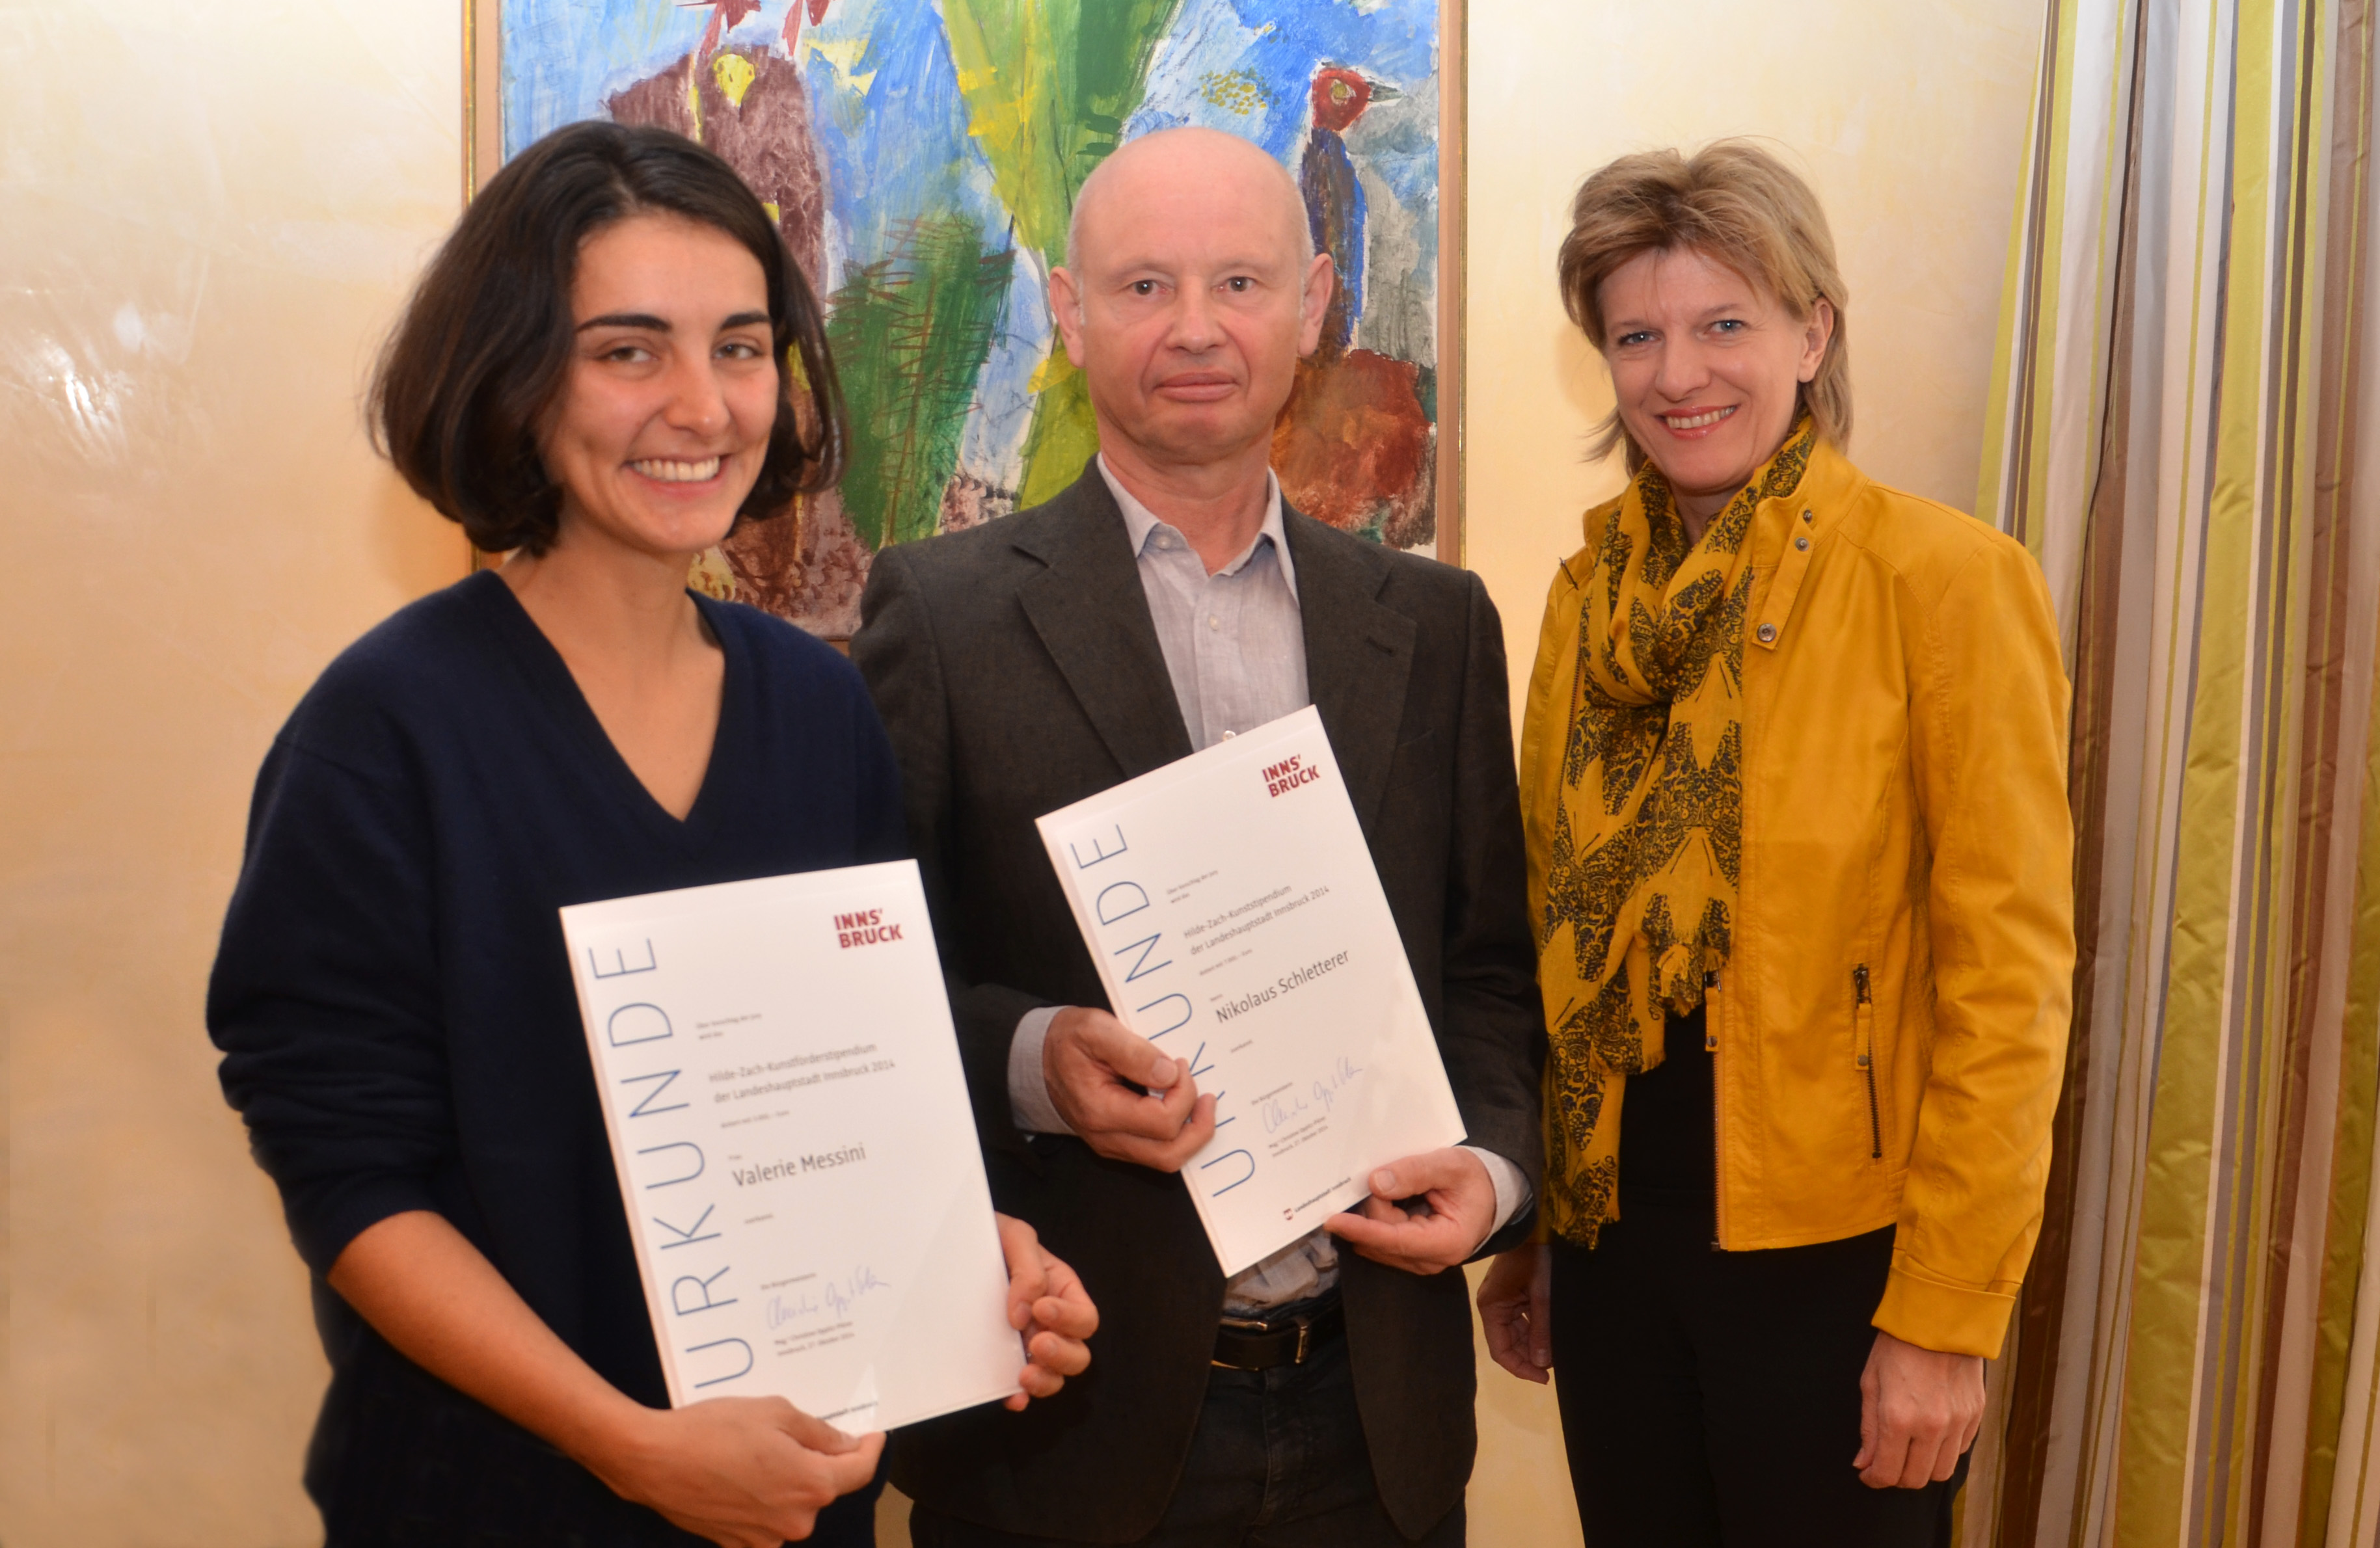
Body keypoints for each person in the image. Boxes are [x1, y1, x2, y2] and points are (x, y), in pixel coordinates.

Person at [207, 121, 1096, 1548]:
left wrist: (966, 1257)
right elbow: (347, 1173)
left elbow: (870, 1099)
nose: (703, 404)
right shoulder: (383, 729)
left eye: (740, 347)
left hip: (797, 1501)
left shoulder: (816, 707)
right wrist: (629, 1446)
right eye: (629, 350)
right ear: (514, 375)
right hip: (488, 1501)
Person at [850, 126, 1543, 1548]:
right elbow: (875, 1002)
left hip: (1376, 1425)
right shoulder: (942, 613)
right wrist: (1037, 1056)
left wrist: (1489, 1170)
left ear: (1314, 304)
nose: (1193, 329)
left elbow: (1483, 973)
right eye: (1143, 285)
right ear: (1067, 311)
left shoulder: (1434, 624)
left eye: (1237, 281)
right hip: (1062, 1421)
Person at [1473, 140, 2074, 1547]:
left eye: (1722, 323)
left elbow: (2008, 986)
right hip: (1615, 1256)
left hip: (1840, 1270)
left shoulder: (1943, 582)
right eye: (1637, 334)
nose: (1677, 372)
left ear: (1812, 332)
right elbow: (1554, 928)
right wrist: (1538, 1232)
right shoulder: (1580, 602)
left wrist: (1941, 1313)